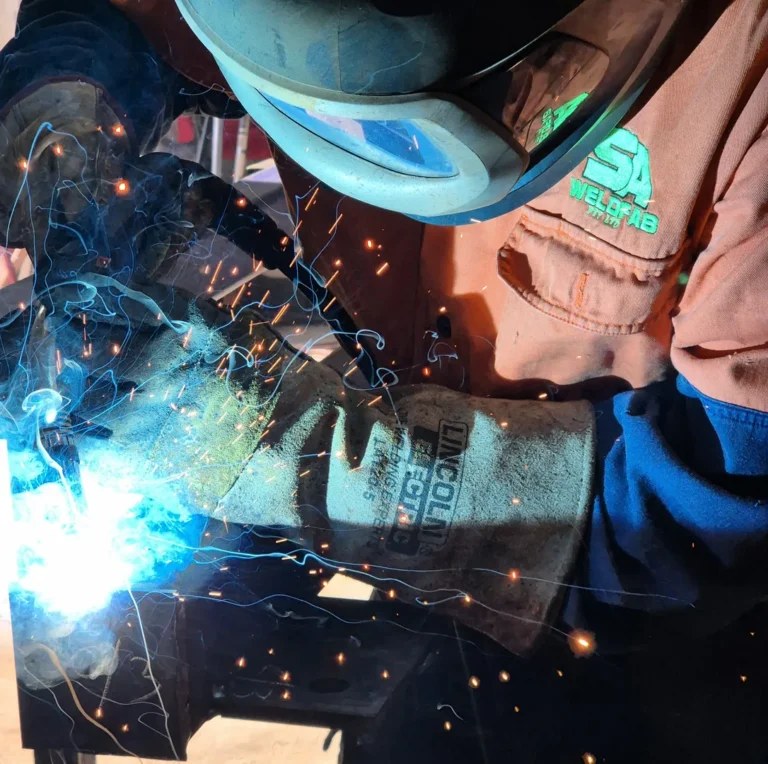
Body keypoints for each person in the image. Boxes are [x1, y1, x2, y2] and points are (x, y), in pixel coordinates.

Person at [0, 0, 767, 658]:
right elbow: (126, 17)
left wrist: (295, 450)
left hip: (649, 630)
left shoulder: (748, 74)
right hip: (423, 585)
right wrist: (67, 101)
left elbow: (709, 521)